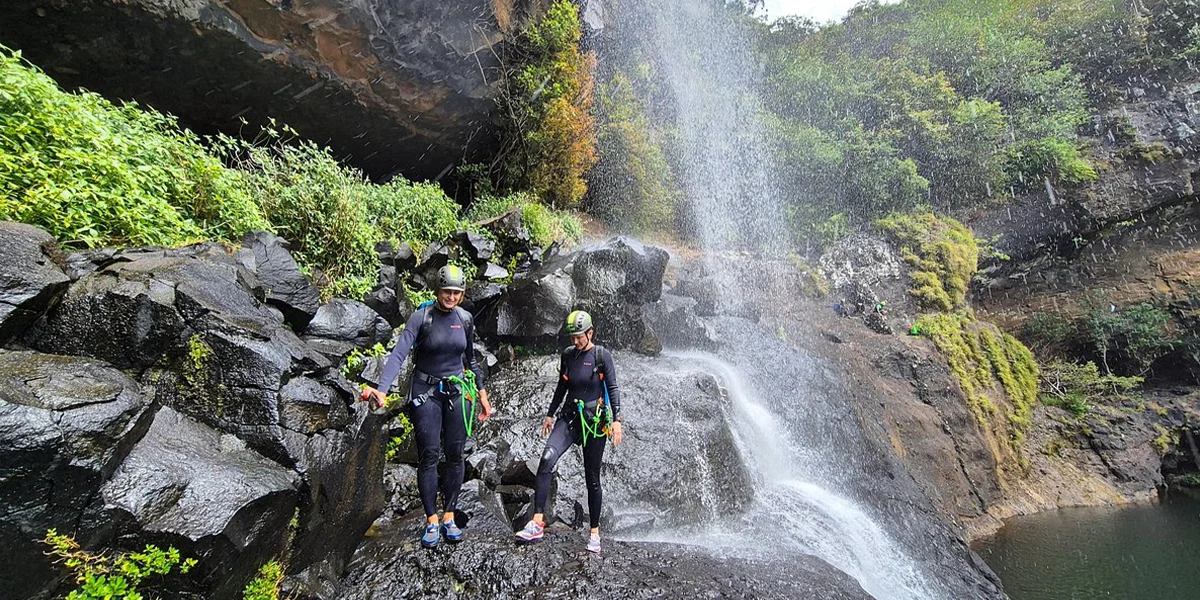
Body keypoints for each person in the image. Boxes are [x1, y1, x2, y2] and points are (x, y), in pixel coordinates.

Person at [362, 265, 493, 548]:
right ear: (438, 290)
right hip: (426, 393)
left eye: (456, 293)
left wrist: (482, 394)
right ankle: (432, 519)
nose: (451, 297)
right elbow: (399, 354)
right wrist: (382, 389)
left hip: (457, 392)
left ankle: (449, 516)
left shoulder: (465, 319)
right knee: (430, 456)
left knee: (456, 455)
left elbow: (470, 359)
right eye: (447, 291)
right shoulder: (422, 317)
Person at [514, 310, 623, 553]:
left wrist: (617, 420)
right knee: (546, 459)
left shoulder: (601, 356)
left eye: (579, 337)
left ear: (590, 333)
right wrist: (550, 414)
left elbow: (613, 387)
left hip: (594, 421)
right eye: (572, 337)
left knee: (592, 478)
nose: (575, 341)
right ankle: (537, 523)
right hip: (570, 418)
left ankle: (594, 533)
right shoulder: (568, 355)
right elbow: (562, 387)